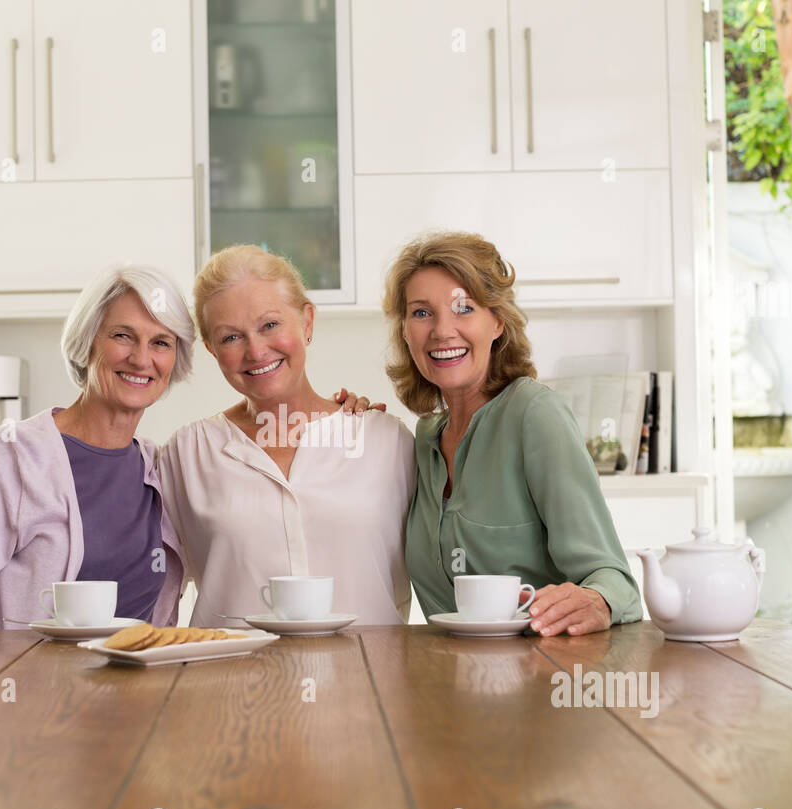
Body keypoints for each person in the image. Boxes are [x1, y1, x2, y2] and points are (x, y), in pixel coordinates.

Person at [384, 231, 642, 636]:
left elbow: (612, 580)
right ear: (404, 330)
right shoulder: (423, 440)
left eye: (463, 308)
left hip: (540, 681)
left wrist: (597, 600)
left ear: (497, 321)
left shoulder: (533, 414)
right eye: (421, 313)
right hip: (440, 684)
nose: (441, 331)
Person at [0, 264, 193, 630]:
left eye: (161, 342)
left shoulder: (160, 470)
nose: (141, 359)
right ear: (87, 342)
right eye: (123, 336)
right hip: (28, 685)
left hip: (141, 686)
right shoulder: (14, 457)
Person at [158, 245, 416, 627]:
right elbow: (153, 590)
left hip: (369, 679)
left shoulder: (387, 442)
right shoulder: (187, 454)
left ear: (307, 322)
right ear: (212, 351)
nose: (256, 350)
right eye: (231, 338)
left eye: (270, 325)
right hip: (227, 681)